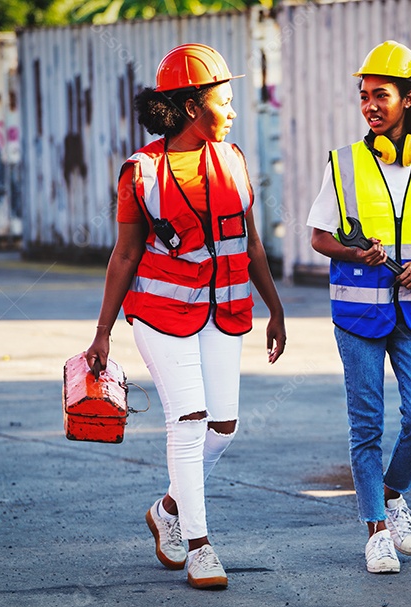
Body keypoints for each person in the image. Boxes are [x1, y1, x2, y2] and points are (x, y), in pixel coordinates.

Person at [84, 43, 286, 590]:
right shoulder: (141, 172)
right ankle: (199, 546)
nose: (233, 111)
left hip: (224, 307)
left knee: (224, 426)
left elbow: (251, 243)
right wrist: (102, 333)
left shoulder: (235, 159)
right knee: (189, 421)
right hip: (158, 311)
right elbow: (125, 254)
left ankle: (168, 509)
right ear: (194, 106)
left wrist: (275, 307)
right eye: (225, 100)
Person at [307, 40, 411, 574]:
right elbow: (318, 238)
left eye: (381, 94)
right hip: (359, 314)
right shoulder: (343, 164)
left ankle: (392, 493)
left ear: (410, 97)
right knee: (366, 428)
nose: (370, 105)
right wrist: (355, 250)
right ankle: (376, 531)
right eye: (363, 97)